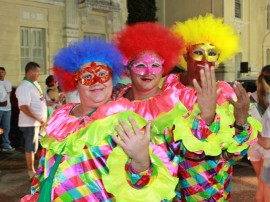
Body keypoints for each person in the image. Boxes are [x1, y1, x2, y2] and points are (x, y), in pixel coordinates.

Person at [21, 37, 178, 202]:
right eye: (87, 76)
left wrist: (141, 162)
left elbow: (152, 191)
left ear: (112, 78)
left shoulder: (127, 121)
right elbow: (44, 171)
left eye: (102, 74)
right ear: (75, 82)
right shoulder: (61, 116)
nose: (96, 82)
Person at [169, 13, 260, 201]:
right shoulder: (168, 88)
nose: (204, 59)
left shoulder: (226, 94)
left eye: (211, 53)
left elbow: (234, 155)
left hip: (212, 190)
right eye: (197, 51)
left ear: (218, 59)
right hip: (170, 189)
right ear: (185, 55)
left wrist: (241, 121)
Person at [16, 62, 47, 180]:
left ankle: (37, 168)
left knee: (35, 146)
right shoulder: (24, 87)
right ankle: (31, 171)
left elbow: (40, 100)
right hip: (29, 123)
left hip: (37, 123)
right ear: (30, 72)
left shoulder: (34, 84)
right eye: (37, 71)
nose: (39, 74)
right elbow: (23, 107)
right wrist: (38, 118)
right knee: (30, 146)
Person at [248, 65, 270, 202]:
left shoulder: (251, 98)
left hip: (254, 145)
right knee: (265, 186)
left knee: (262, 184)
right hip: (266, 146)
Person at [0, 67, 14, 152]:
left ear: (5, 73)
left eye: (2, 72)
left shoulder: (8, 82)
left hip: (7, 108)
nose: (0, 74)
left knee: (6, 127)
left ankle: (6, 145)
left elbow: (10, 94)